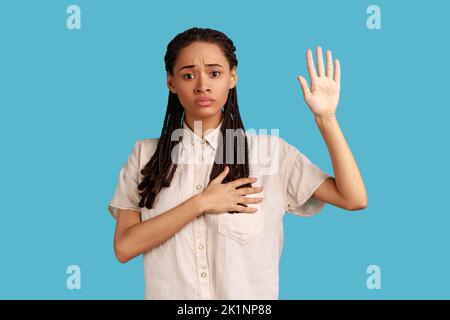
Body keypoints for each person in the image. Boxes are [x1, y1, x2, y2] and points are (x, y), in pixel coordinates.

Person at [107, 27, 367, 300]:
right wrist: (200, 203)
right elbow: (125, 247)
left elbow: (353, 198)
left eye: (215, 73)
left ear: (232, 77)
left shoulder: (269, 152)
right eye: (188, 75)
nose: (202, 85)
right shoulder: (145, 155)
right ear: (171, 82)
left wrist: (326, 119)